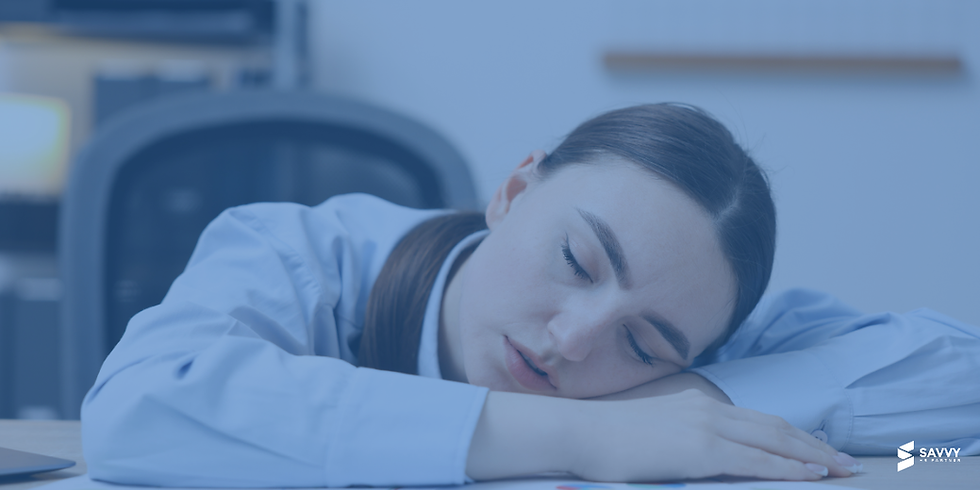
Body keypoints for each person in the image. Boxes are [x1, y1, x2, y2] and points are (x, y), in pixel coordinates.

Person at [81, 103, 980, 487]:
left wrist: (698, 398)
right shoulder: (302, 251)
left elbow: (958, 371)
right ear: (514, 192)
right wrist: (591, 431)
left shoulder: (700, 338)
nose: (576, 339)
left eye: (644, 346)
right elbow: (137, 411)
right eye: (579, 262)